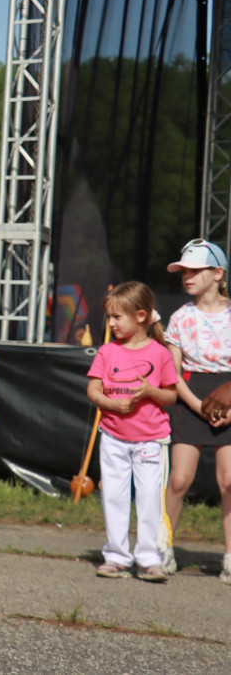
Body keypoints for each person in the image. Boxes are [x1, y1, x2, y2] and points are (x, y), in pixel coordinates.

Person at [86, 282, 178, 582]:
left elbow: (171, 396)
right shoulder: (107, 351)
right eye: (109, 317)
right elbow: (93, 390)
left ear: (141, 316)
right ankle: (116, 556)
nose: (111, 324)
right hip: (113, 438)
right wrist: (110, 403)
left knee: (150, 497)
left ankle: (149, 558)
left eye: (117, 317)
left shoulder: (160, 353)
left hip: (150, 440)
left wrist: (151, 390)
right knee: (113, 495)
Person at [164, 238, 231, 584]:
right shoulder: (179, 318)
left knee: (229, 481)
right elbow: (173, 373)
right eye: (182, 271)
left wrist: (228, 409)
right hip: (191, 397)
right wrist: (195, 405)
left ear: (218, 273)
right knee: (178, 479)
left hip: (229, 397)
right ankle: (163, 547)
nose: (186, 276)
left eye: (195, 270)